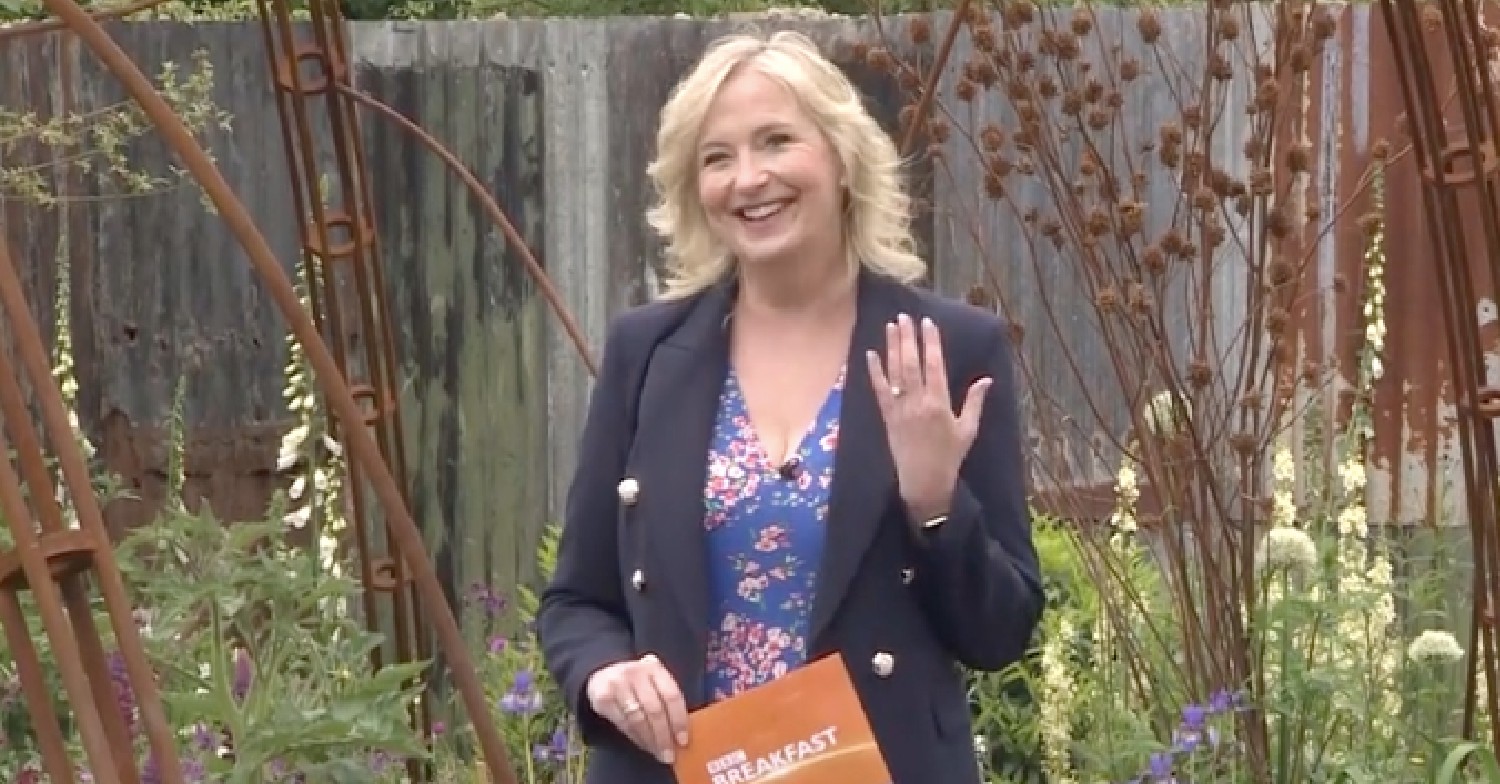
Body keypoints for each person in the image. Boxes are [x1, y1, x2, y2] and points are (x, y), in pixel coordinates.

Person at [535, 29, 1044, 784]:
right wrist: (604, 673)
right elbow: (577, 600)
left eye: (776, 142)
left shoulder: (949, 352)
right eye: (717, 157)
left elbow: (1001, 631)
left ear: (841, 158)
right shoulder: (646, 354)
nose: (748, 179)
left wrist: (935, 504)